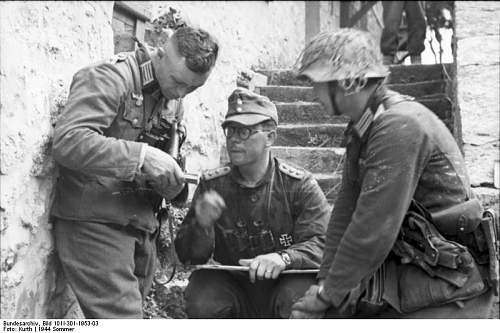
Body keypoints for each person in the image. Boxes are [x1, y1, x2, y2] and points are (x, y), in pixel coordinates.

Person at [290, 28, 496, 319]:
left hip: (453, 285)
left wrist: (326, 295)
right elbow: (345, 213)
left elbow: (373, 227)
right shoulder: (365, 126)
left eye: (318, 84)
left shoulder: (397, 126)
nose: (314, 95)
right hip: (418, 270)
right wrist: (326, 283)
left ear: (348, 82)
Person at [51, 26, 219, 318]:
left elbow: (168, 163)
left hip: (141, 229)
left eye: (192, 88)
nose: (181, 93)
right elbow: (68, 141)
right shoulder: (110, 77)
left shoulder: (173, 100)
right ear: (160, 52)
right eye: (179, 82)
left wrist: (173, 186)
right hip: (96, 224)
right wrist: (141, 157)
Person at [174, 88, 330, 318]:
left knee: (300, 296)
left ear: (270, 137)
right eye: (231, 130)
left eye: (245, 132)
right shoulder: (213, 185)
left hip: (284, 283)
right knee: (203, 296)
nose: (235, 139)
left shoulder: (298, 185)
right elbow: (188, 257)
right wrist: (201, 225)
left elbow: (323, 243)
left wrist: (284, 258)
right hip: (234, 286)